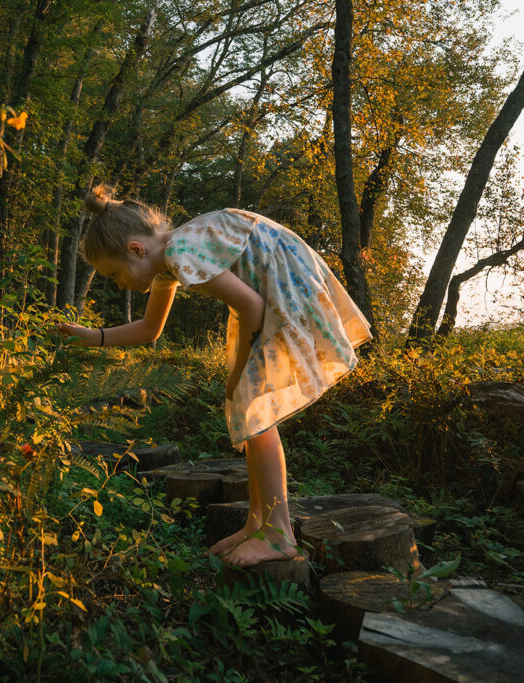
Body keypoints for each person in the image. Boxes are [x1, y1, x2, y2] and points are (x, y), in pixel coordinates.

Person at [57, 185, 372, 567]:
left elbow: (252, 305)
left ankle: (278, 534)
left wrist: (238, 373)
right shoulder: (171, 256)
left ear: (136, 250)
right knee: (251, 413)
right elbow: (149, 329)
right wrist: (93, 337)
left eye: (115, 273)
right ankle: (258, 522)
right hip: (273, 293)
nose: (118, 283)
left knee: (256, 414)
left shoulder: (179, 251)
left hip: (283, 293)